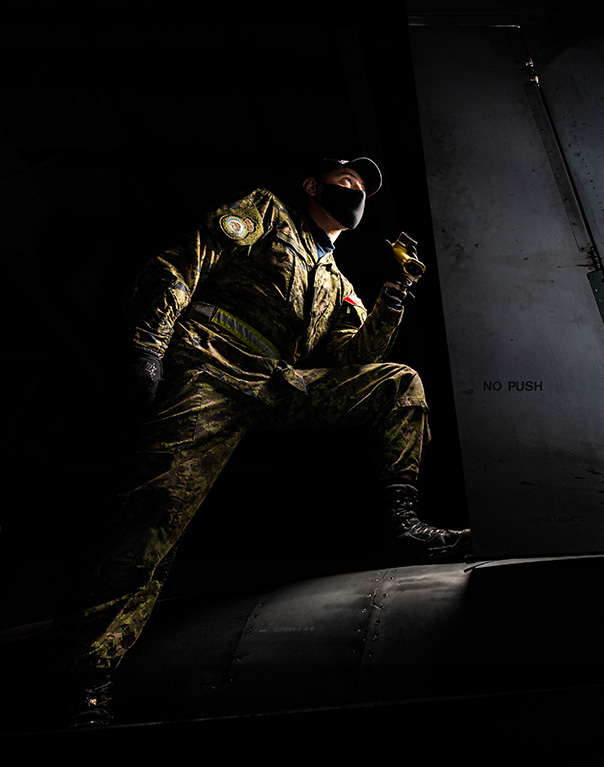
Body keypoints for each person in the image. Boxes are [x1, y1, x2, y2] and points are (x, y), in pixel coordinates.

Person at [58, 156, 470, 725]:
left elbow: (352, 358)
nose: (356, 194)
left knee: (398, 383)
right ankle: (87, 673)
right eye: (347, 182)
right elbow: (188, 259)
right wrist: (147, 344)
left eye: (363, 191)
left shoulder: (337, 282)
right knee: (154, 510)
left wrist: (395, 294)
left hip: (276, 381)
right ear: (313, 186)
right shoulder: (266, 212)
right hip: (210, 362)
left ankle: (397, 522)